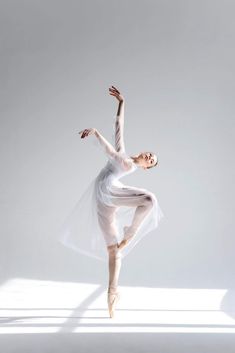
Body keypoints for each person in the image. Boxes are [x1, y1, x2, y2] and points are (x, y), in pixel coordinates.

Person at [58, 86, 164, 318]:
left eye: (151, 161)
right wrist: (122, 102)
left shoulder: (127, 164)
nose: (148, 157)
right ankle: (126, 237)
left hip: (111, 192)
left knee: (149, 200)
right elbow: (119, 127)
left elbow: (111, 153)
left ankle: (112, 293)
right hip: (103, 200)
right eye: (150, 154)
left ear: (145, 168)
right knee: (113, 251)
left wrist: (96, 133)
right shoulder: (126, 155)